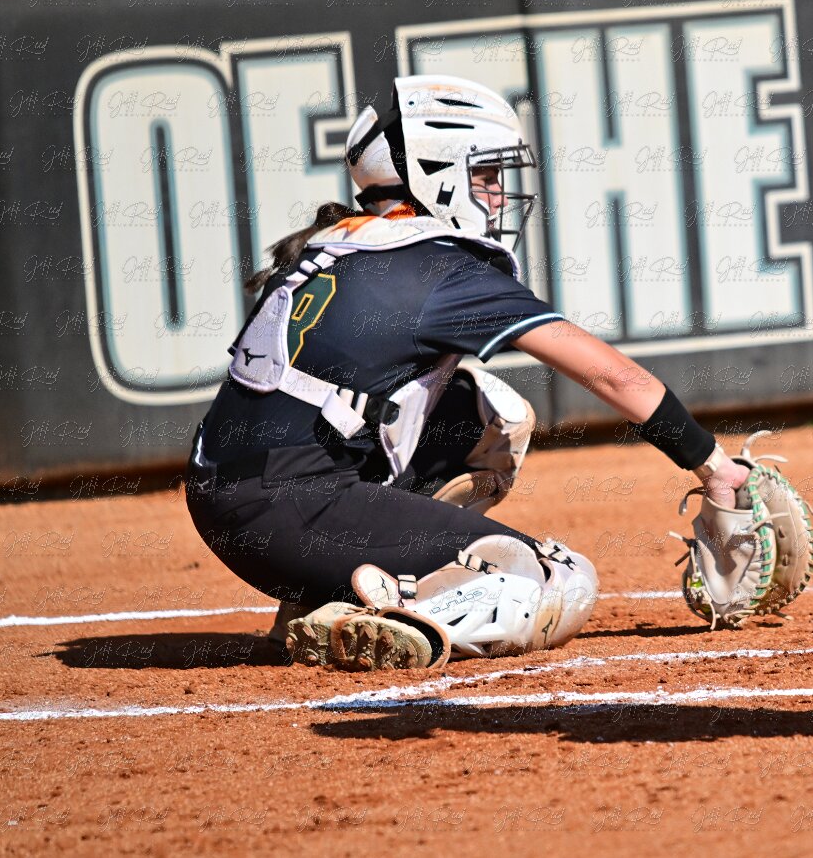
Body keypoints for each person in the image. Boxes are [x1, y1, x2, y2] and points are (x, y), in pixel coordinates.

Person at [185, 74, 753, 670]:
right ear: (436, 173)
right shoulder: (439, 265)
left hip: (232, 496)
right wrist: (714, 466)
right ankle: (384, 615)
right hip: (289, 509)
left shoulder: (334, 239)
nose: (499, 196)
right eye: (484, 175)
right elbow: (611, 376)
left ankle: (322, 593)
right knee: (560, 581)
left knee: (484, 415)